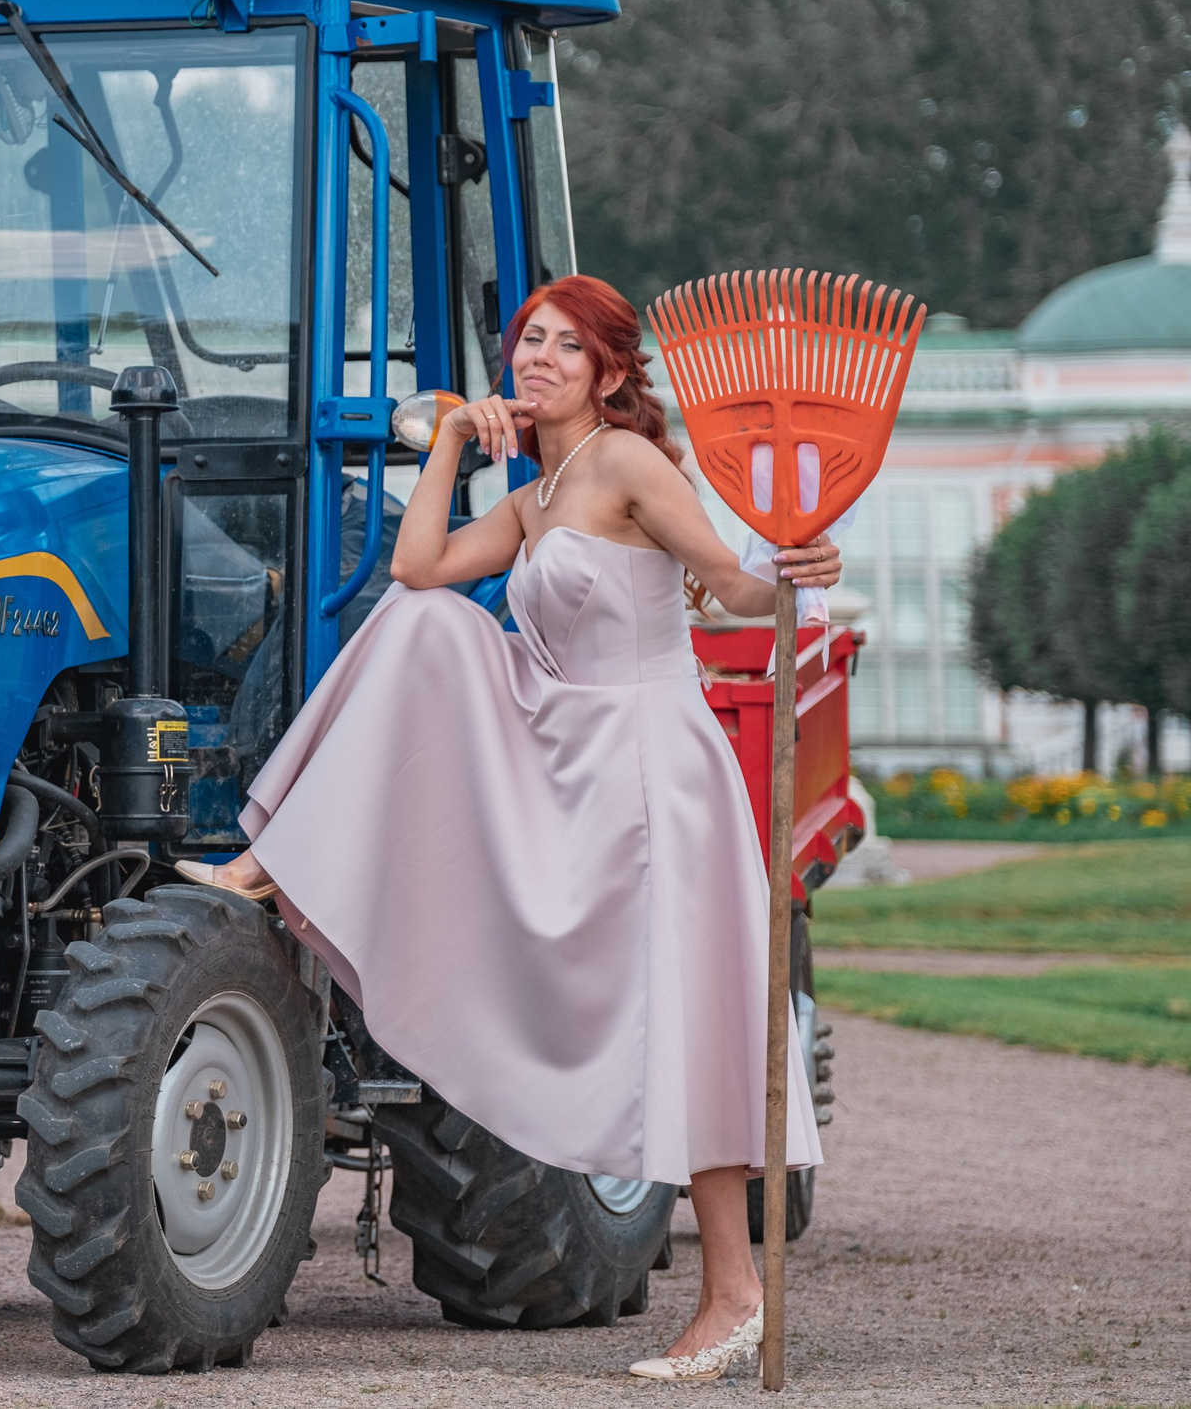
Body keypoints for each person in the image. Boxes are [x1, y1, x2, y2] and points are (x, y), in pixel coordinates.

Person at [177, 275, 835, 1383]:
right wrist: (446, 442)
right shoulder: (536, 495)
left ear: (610, 374)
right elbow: (416, 566)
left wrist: (792, 574)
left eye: (563, 348)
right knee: (424, 623)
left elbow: (721, 580)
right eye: (526, 341)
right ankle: (274, 857)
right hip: (559, 745)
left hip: (644, 766)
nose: (535, 360)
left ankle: (733, 1294)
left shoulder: (627, 464)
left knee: (681, 1022)